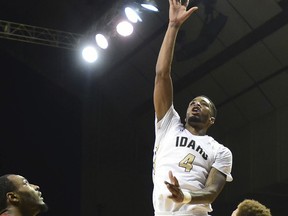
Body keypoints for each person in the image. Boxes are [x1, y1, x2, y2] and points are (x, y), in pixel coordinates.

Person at [152, 0, 233, 215]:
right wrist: (173, 26)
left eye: (203, 104)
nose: (196, 104)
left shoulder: (221, 151)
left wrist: (184, 196)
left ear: (211, 120)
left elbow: (212, 191)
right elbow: (162, 75)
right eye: (192, 102)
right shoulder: (168, 125)